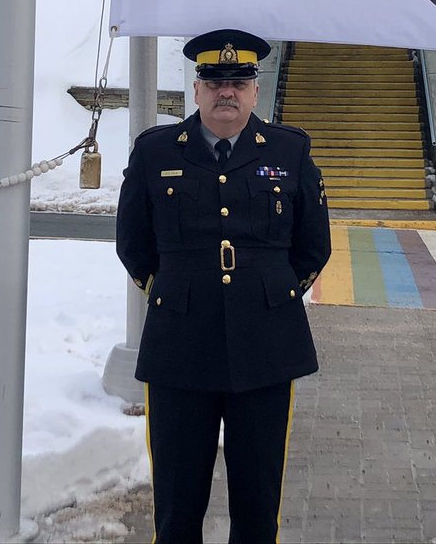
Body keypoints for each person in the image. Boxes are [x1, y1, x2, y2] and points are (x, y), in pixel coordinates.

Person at [116, 29, 331, 543]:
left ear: (255, 90)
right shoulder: (155, 152)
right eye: (214, 82)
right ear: (196, 90)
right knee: (176, 506)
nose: (226, 92)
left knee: (258, 507)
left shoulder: (290, 150)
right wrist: (172, 292)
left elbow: (313, 245)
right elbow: (133, 243)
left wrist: (272, 295)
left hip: (266, 346)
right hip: (180, 345)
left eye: (238, 82)